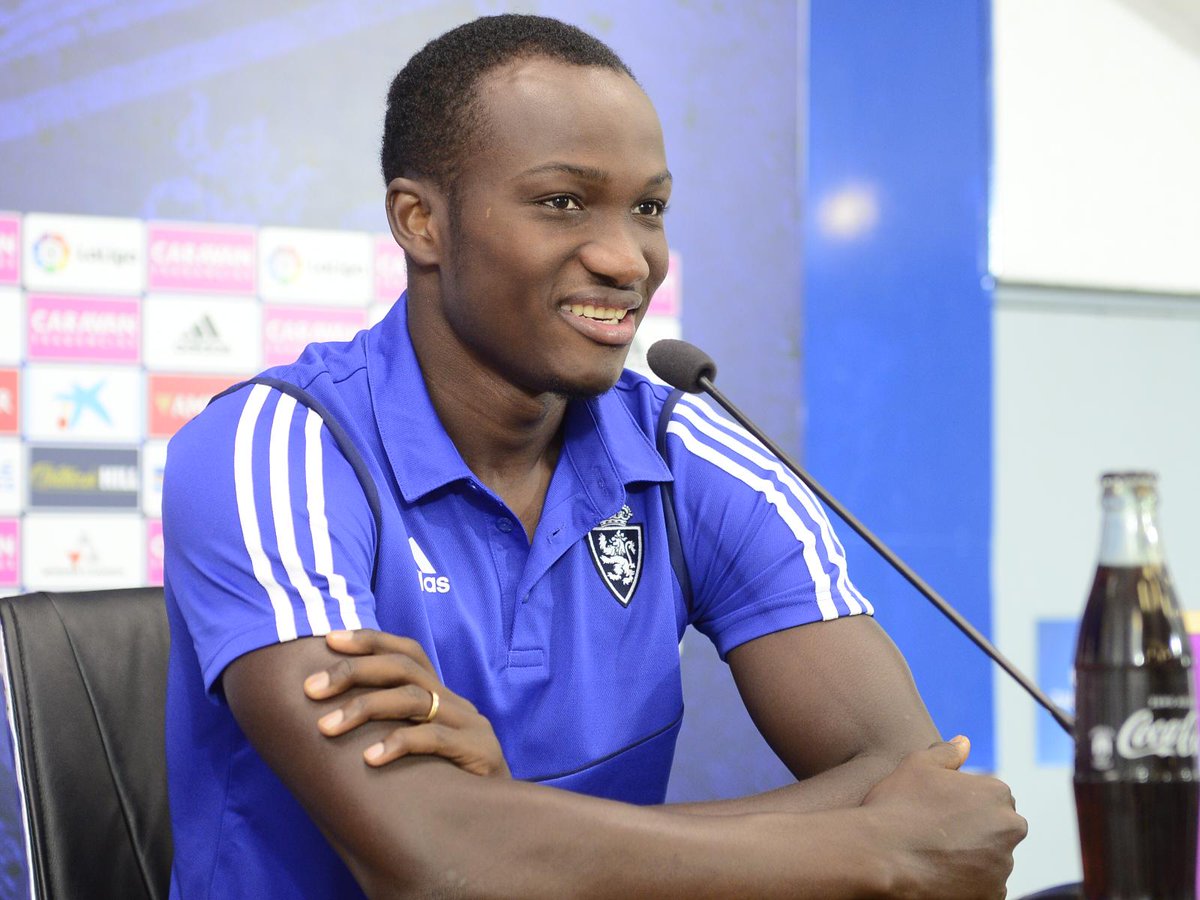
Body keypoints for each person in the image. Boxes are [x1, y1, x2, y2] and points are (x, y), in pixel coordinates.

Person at [163, 13, 1026, 899]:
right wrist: (874, 854)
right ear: (420, 221)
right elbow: (430, 862)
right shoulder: (277, 448)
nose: (628, 259)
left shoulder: (685, 448)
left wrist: (507, 824)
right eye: (562, 202)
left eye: (648, 208)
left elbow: (908, 776)